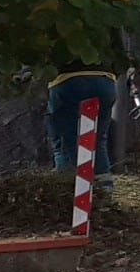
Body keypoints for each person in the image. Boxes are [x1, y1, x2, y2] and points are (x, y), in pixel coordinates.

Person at [46, 64, 118, 194]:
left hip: (67, 80)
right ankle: (104, 185)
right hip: (105, 80)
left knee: (65, 138)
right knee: (98, 138)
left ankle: (65, 186)